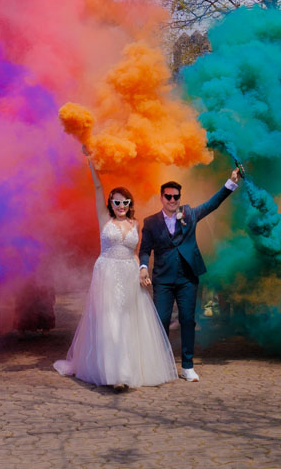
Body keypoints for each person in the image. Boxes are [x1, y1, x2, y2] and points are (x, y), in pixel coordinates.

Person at [54, 147, 177, 390]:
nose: (121, 205)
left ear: (130, 204)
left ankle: (129, 371)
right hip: (107, 272)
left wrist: (143, 269)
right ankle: (116, 375)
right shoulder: (104, 219)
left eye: (125, 202)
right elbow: (98, 189)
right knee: (109, 321)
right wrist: (90, 160)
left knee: (129, 321)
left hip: (129, 273)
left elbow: (139, 250)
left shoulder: (135, 223)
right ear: (111, 203)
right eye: (117, 202)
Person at [139, 168, 240, 382]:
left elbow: (212, 204)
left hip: (187, 279)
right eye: (168, 196)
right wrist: (143, 267)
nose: (172, 200)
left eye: (176, 196)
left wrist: (230, 182)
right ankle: (162, 364)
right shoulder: (150, 222)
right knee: (162, 321)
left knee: (187, 320)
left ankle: (187, 366)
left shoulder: (190, 214)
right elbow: (145, 249)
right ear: (162, 198)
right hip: (163, 279)